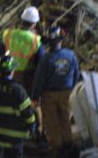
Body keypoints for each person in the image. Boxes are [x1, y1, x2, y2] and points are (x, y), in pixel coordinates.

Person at [32, 26, 81, 157]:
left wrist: (35, 97)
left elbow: (39, 80)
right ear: (61, 40)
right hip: (67, 93)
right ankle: (69, 147)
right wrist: (72, 87)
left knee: (52, 123)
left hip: (49, 95)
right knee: (65, 119)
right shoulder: (71, 55)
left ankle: (58, 151)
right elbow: (77, 74)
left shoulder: (46, 59)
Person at [0, 55, 36, 158]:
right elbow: (28, 115)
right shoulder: (18, 90)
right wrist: (32, 127)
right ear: (12, 71)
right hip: (14, 137)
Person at [0, 6, 44, 92]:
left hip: (7, 72)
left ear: (21, 20)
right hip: (26, 77)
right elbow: (40, 62)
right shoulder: (35, 40)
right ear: (34, 24)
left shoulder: (8, 34)